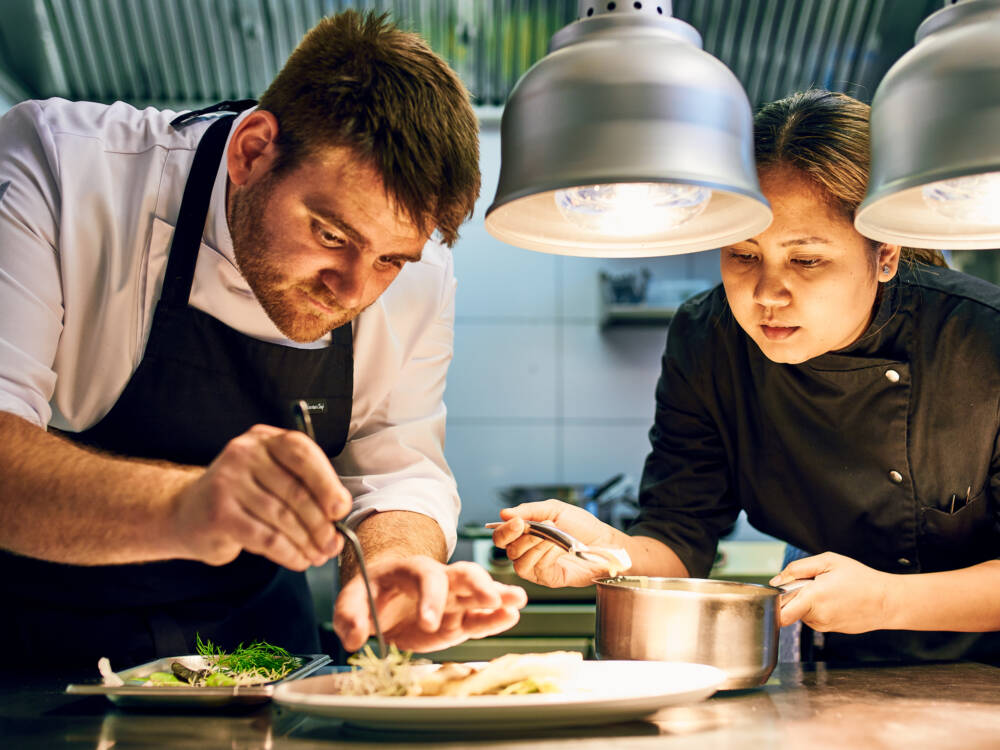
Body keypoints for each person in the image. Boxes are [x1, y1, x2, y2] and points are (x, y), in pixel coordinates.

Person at [0, 10, 526, 670]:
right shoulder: (62, 167)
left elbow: (396, 463)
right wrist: (187, 505)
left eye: (391, 259)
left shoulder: (417, 272)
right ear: (252, 151)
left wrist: (393, 564)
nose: (354, 290)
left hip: (258, 661)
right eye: (331, 236)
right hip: (29, 652)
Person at [493, 89, 1000, 663]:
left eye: (806, 260)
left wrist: (886, 599)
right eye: (742, 254)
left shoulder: (983, 340)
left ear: (885, 253)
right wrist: (609, 551)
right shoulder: (707, 339)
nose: (766, 294)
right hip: (839, 678)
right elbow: (681, 537)